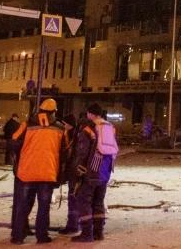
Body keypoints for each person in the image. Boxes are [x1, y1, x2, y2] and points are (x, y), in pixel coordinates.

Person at [10, 98, 64, 244]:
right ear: (54, 111)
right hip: (48, 172)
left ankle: (18, 237)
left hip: (26, 172)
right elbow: (64, 150)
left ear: (40, 110)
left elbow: (14, 141)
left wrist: (25, 152)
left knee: (23, 206)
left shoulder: (26, 124)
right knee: (44, 206)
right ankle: (42, 236)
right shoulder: (60, 128)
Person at [70, 103, 117, 242]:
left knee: (84, 201)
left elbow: (82, 152)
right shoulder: (110, 128)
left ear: (90, 114)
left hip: (91, 172)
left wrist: (77, 170)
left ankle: (86, 234)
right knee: (98, 202)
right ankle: (98, 232)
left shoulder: (89, 129)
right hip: (105, 172)